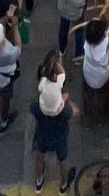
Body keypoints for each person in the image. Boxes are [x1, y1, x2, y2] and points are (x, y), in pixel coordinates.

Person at [31, 52, 77, 193]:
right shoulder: (64, 112)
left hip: (43, 136)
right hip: (60, 139)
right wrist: (65, 100)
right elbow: (75, 111)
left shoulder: (36, 107)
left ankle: (39, 182)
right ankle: (63, 186)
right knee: (62, 161)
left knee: (40, 156)